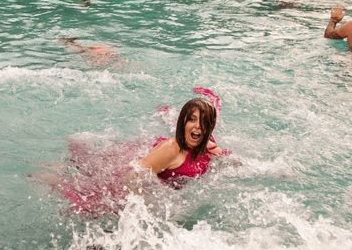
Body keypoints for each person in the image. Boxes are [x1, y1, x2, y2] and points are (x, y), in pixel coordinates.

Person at [54, 88, 226, 217]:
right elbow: (131, 178)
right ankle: (50, 173)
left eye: (203, 122)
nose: (198, 126)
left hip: (154, 158)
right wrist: (146, 206)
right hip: (135, 165)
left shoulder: (207, 144)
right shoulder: (172, 149)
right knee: (86, 191)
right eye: (192, 120)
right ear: (182, 123)